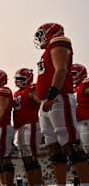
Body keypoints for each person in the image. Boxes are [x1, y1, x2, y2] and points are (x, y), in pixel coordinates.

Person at [34, 23, 89, 184]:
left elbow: (61, 69)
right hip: (48, 101)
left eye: (42, 34)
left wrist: (52, 94)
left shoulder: (59, 42)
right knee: (55, 150)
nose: (40, 39)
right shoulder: (47, 51)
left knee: (71, 144)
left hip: (58, 98)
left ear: (52, 32)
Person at [13, 68, 43, 186]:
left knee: (32, 158)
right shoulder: (17, 93)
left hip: (31, 124)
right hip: (20, 127)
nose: (19, 81)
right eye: (17, 79)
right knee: (25, 159)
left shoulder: (31, 89)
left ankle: (37, 184)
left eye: (22, 79)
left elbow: (39, 100)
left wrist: (35, 97)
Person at [71, 64, 89, 154]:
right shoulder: (74, 88)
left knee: (87, 147)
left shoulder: (84, 85)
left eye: (73, 73)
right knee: (82, 150)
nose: (71, 76)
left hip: (86, 120)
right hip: (78, 122)